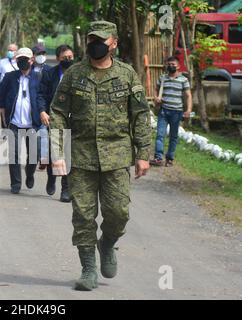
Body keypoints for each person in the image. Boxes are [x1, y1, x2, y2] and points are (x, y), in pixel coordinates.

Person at [50, 21, 151, 291]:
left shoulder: (127, 75)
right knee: (83, 215)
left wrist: (143, 153)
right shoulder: (74, 75)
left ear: (113, 43)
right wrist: (57, 151)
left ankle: (107, 243)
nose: (96, 44)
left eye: (101, 40)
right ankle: (88, 269)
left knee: (118, 212)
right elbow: (58, 113)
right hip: (81, 156)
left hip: (117, 155)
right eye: (92, 39)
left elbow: (140, 115)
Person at [0, 47, 42, 194]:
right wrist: (4, 115)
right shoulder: (10, 77)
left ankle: (30, 173)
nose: (23, 61)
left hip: (33, 123)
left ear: (31, 60)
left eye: (25, 59)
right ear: (16, 61)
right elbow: (1, 96)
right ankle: (15, 183)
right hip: (14, 122)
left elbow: (43, 97)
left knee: (34, 154)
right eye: (20, 59)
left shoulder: (38, 77)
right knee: (14, 154)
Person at [37, 44, 75, 202]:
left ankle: (66, 189)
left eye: (71, 57)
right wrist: (42, 111)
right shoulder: (49, 73)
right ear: (59, 58)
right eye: (65, 57)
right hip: (53, 118)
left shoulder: (79, 74)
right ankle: (51, 177)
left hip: (73, 119)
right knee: (54, 153)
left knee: (68, 153)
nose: (68, 60)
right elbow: (41, 94)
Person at [150, 56, 192, 167]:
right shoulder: (162, 78)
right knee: (160, 135)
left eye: (173, 64)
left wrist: (188, 110)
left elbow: (188, 95)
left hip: (177, 112)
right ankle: (158, 158)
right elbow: (156, 89)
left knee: (173, 136)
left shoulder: (184, 80)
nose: (171, 66)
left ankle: (170, 158)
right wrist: (156, 98)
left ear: (178, 66)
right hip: (163, 111)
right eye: (169, 64)